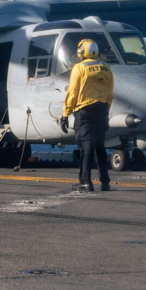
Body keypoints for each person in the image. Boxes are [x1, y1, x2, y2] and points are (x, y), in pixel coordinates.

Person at [60, 39, 114, 191]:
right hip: (102, 110)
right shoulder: (105, 67)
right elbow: (110, 92)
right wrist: (106, 112)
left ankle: (85, 182)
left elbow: (72, 93)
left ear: (82, 52)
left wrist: (65, 114)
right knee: (100, 146)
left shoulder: (79, 68)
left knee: (86, 147)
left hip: (85, 111)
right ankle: (105, 182)